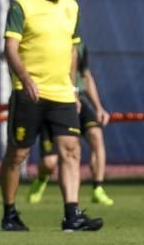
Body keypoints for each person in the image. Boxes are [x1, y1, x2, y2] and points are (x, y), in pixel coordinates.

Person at [0, 0, 103, 232]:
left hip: (62, 95)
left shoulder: (72, 7)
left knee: (70, 150)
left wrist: (72, 88)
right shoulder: (23, 4)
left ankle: (72, 215)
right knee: (18, 155)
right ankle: (9, 213)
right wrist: (25, 79)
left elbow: (72, 50)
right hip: (29, 93)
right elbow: (10, 48)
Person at [28, 40, 114, 206]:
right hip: (55, 98)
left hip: (78, 98)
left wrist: (98, 107)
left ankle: (98, 188)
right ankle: (41, 179)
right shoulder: (48, 40)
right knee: (49, 162)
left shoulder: (79, 45)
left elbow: (86, 75)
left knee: (96, 134)